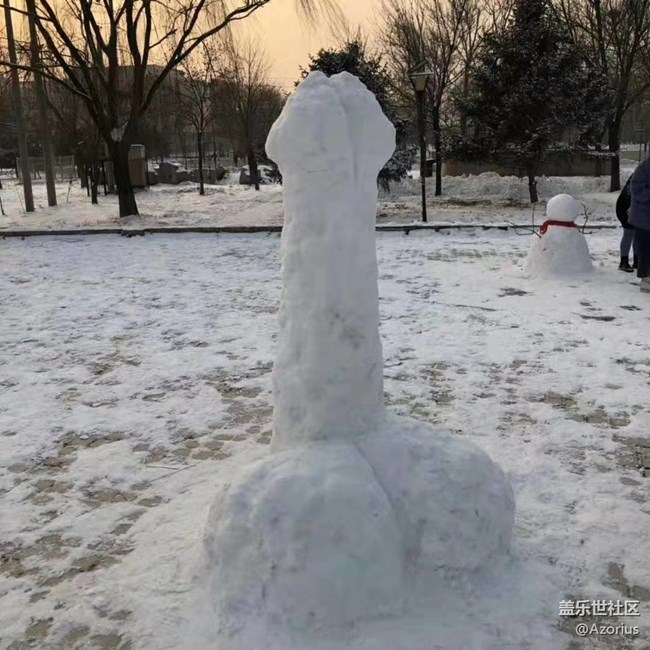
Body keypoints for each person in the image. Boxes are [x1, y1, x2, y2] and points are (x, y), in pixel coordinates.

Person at [629, 156, 650, 292]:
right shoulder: (644, 168)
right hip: (643, 217)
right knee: (645, 248)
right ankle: (646, 278)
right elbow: (636, 190)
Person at [616, 175, 636, 272]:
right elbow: (630, 192)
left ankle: (638, 261)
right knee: (629, 233)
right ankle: (623, 262)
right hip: (625, 208)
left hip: (636, 207)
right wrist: (632, 206)